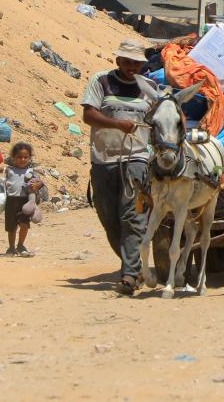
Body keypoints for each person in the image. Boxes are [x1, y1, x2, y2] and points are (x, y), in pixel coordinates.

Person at [81, 39, 158, 295]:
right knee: (109, 218)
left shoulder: (150, 88)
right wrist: (117, 124)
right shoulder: (100, 81)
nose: (131, 67)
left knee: (132, 217)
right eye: (127, 62)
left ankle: (129, 274)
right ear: (117, 61)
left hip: (136, 160)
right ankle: (133, 266)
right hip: (103, 160)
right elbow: (88, 115)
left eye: (136, 63)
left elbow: (163, 117)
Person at [3, 142, 43, 257]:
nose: (23, 159)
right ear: (13, 158)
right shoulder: (9, 170)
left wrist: (38, 185)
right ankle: (11, 247)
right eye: (19, 157)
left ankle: (20, 245)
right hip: (11, 201)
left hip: (25, 203)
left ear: (30, 158)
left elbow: (40, 183)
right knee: (12, 227)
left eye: (26, 157)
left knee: (24, 225)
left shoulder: (31, 171)